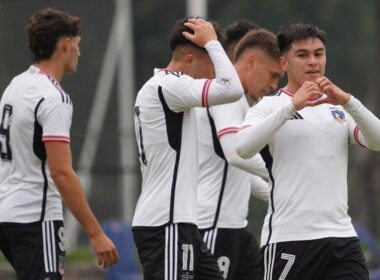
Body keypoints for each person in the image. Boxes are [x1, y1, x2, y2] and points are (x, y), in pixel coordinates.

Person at [235, 22, 380, 280]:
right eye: (302, 55)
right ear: (284, 63)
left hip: (342, 240)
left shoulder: (339, 108)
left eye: (318, 54)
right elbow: (242, 148)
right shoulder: (270, 106)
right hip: (290, 240)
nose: (313, 61)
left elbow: (377, 141)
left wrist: (349, 102)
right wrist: (292, 105)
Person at [0, 8, 118, 280]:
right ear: (65, 44)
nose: (79, 52)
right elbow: (61, 172)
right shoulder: (53, 97)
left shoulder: (16, 86)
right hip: (36, 217)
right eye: (77, 45)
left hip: (8, 215)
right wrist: (95, 233)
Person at [132, 18, 244, 280]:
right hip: (166, 222)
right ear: (190, 59)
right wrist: (213, 43)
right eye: (212, 62)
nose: (215, 72)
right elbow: (232, 88)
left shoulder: (161, 87)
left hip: (179, 222)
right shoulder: (170, 85)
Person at [196, 27, 283, 280]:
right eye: (273, 75)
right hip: (213, 224)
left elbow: (243, 174)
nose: (274, 86)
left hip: (235, 227)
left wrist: (290, 196)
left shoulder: (240, 102)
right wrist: (282, 172)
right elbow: (236, 154)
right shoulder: (228, 97)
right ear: (251, 62)